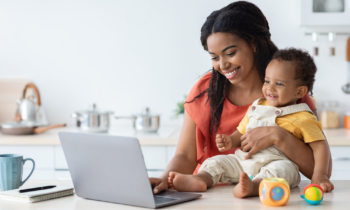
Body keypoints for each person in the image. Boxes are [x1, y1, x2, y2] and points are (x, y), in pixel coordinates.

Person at [150, 1, 332, 195]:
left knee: (281, 170)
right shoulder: (205, 90)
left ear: (253, 44)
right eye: (214, 57)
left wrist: (279, 137)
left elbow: (320, 170)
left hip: (266, 196)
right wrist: (164, 179)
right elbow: (185, 155)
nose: (223, 65)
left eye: (230, 53)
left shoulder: (288, 92)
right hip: (208, 197)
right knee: (214, 165)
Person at [167, 48, 334, 197]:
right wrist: (230, 140)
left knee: (285, 170)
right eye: (267, 81)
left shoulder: (303, 117)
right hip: (243, 161)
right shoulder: (257, 106)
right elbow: (241, 132)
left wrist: (320, 175)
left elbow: (320, 146)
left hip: (274, 163)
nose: (270, 88)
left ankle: (255, 186)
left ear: (300, 91)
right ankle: (201, 179)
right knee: (216, 161)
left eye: (279, 84)